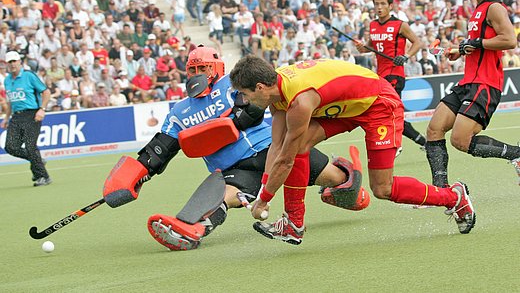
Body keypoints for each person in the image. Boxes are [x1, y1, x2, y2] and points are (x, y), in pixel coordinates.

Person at [104, 46, 369, 251]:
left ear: (216, 68)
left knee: (340, 184)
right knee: (223, 194)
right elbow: (160, 149)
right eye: (193, 69)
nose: (199, 74)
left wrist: (219, 126)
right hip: (234, 168)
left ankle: (346, 182)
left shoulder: (231, 85)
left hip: (270, 151)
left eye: (204, 68)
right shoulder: (178, 112)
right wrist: (136, 173)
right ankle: (189, 228)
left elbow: (252, 111)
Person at [230, 56, 477, 244]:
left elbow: (284, 161)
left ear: (261, 87)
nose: (244, 100)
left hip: (379, 104)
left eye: (244, 94)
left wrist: (264, 200)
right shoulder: (278, 94)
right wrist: (264, 190)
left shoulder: (300, 100)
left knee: (383, 188)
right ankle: (294, 224)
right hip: (348, 105)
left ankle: (454, 197)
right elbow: (277, 146)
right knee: (299, 145)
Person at [425, 0, 520, 188]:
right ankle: (441, 191)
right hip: (468, 82)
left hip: (485, 84)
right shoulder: (478, 9)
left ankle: (516, 153)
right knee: (434, 128)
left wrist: (477, 44)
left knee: (460, 140)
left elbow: (509, 40)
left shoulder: (494, 7)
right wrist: (460, 50)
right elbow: (479, 44)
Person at [355, 0, 427, 154]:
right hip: (380, 76)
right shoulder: (373, 25)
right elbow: (371, 46)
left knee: (389, 111)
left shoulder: (400, 25)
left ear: (390, 5)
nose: (379, 7)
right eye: (376, 4)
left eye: (382, 4)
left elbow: (418, 43)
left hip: (395, 74)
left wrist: (406, 56)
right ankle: (424, 142)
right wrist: (362, 48)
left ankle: (396, 144)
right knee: (391, 113)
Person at [0, 51, 52, 186]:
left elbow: (46, 92)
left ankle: (44, 176)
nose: (12, 64)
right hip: (16, 116)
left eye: (14, 61)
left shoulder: (29, 76)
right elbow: (11, 101)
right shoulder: (7, 80)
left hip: (32, 114)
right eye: (9, 62)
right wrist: (6, 118)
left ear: (19, 62)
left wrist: (42, 109)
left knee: (30, 146)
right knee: (10, 147)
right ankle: (37, 160)